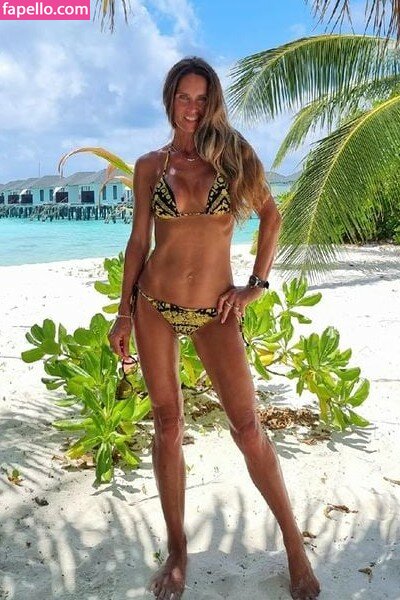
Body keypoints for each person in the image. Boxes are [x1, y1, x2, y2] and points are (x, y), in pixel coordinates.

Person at [108, 56, 320, 600]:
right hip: (155, 304)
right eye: (184, 97)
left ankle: (294, 545)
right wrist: (123, 313)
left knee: (248, 428)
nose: (192, 109)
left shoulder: (234, 155)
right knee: (167, 424)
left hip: (215, 311)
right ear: (170, 100)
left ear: (213, 103)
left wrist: (256, 285)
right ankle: (178, 552)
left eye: (202, 99)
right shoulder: (150, 166)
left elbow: (272, 216)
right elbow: (139, 242)